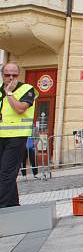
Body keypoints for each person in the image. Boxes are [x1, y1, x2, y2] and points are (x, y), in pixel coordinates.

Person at [0, 62, 38, 208]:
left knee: (6, 173)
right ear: (2, 75)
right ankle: (12, 205)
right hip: (1, 137)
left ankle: (3, 207)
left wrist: (9, 93)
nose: (10, 78)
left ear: (19, 75)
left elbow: (20, 109)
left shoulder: (27, 90)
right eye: (7, 75)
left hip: (17, 137)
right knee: (4, 174)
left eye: (14, 75)